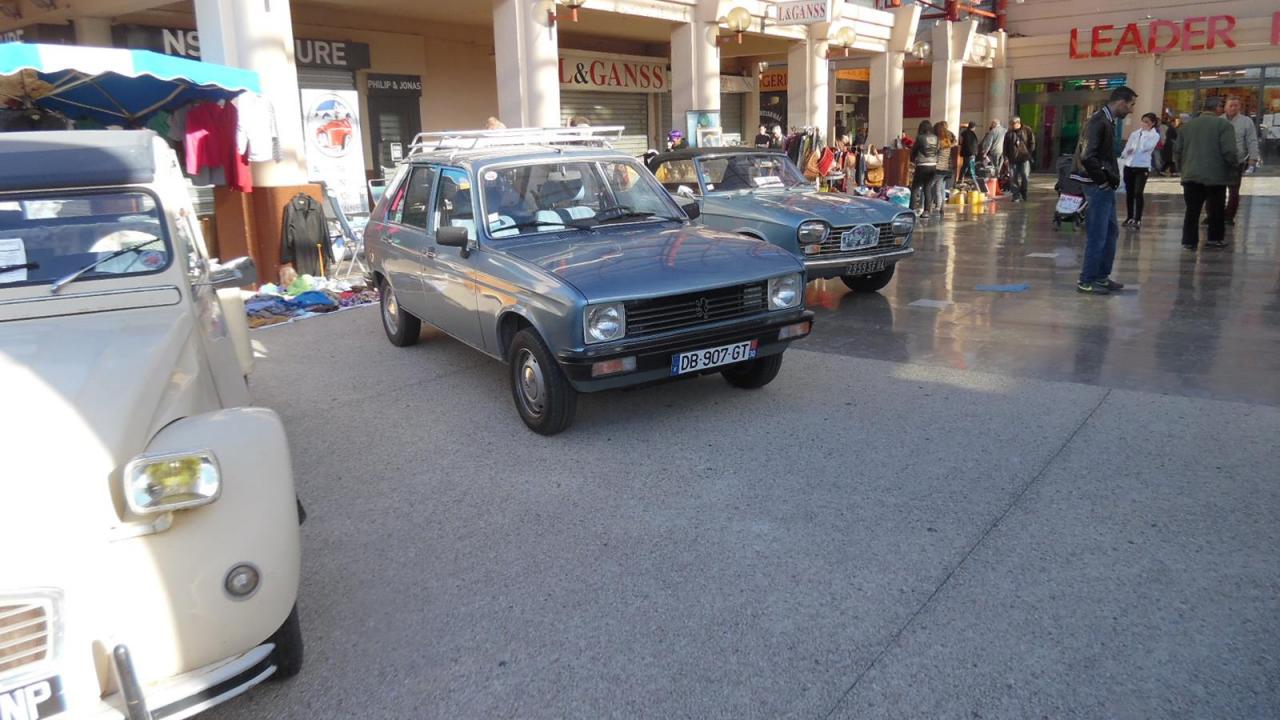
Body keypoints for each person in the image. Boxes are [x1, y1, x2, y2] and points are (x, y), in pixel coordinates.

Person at [1071, 85, 1137, 295]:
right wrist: (1101, 181)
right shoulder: (1099, 122)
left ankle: (1101, 275)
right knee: (1098, 234)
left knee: (1110, 232)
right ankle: (1087, 279)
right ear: (1121, 103)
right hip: (1096, 184)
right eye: (1131, 105)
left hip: (1102, 184)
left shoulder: (1106, 121)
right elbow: (1087, 155)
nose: (1132, 110)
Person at [1174, 96, 1238, 251]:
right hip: (1215, 177)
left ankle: (1189, 241)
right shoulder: (1223, 125)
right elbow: (1229, 150)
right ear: (1217, 108)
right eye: (1221, 106)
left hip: (1191, 175)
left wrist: (1183, 169)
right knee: (1216, 210)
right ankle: (1214, 239)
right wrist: (1234, 166)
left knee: (1192, 210)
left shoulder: (1186, 127)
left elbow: (1177, 151)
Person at [1223, 97, 1260, 226]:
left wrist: (1253, 159)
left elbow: (1252, 140)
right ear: (1225, 107)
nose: (1233, 108)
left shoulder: (1246, 122)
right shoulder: (1219, 121)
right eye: (1231, 105)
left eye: (1236, 106)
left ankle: (1229, 216)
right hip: (1219, 161)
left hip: (1236, 161)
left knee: (1234, 190)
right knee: (1214, 190)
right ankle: (1213, 214)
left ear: (1240, 107)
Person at [1120, 112, 1160, 229]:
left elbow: (1145, 148)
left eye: (1147, 122)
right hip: (1130, 164)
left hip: (1142, 166)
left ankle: (1138, 218)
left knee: (1138, 192)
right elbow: (1127, 147)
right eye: (1143, 121)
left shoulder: (1154, 135)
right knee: (1129, 192)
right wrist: (1125, 154)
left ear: (1152, 123)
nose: (1144, 124)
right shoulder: (1135, 133)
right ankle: (1129, 217)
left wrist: (1144, 135)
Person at [910, 120, 940, 217]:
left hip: (922, 165)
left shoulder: (920, 138)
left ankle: (912, 209)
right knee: (927, 188)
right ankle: (927, 211)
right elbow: (937, 151)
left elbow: (914, 150)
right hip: (933, 165)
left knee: (915, 188)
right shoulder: (936, 138)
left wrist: (912, 159)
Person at [1003, 115, 1036, 202]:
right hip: (1012, 159)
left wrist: (1028, 152)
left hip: (1024, 158)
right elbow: (1005, 146)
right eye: (1010, 124)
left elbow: (1032, 142)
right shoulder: (1009, 133)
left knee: (1025, 175)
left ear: (1018, 123)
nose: (1011, 125)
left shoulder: (1027, 130)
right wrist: (1005, 158)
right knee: (1013, 177)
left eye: (1013, 124)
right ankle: (1016, 195)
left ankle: (1024, 191)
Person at [933, 121, 955, 215]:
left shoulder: (939, 142)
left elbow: (935, 154)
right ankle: (942, 206)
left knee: (936, 188)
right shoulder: (948, 142)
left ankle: (937, 206)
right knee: (942, 187)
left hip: (938, 167)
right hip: (947, 168)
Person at [959, 121, 981, 191]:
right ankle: (976, 185)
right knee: (971, 168)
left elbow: (961, 142)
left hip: (966, 153)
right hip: (971, 154)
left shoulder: (964, 133)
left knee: (964, 166)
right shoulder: (973, 134)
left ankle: (960, 180)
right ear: (973, 127)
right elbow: (974, 145)